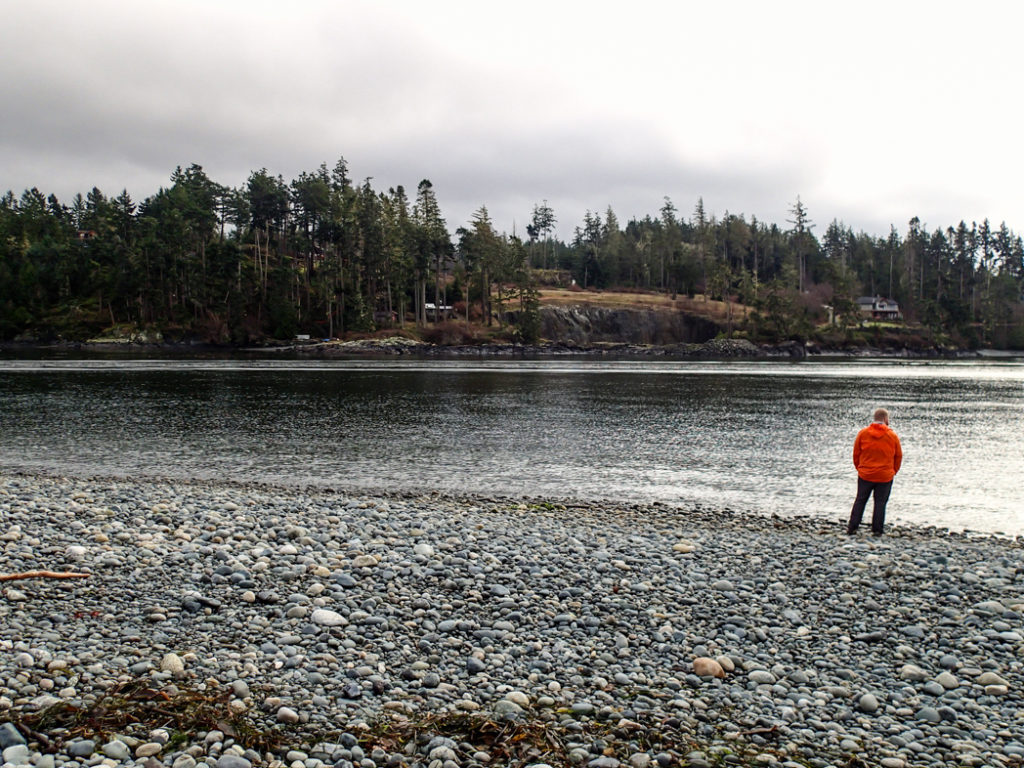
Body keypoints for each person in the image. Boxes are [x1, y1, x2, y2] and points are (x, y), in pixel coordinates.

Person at [847, 407, 902, 536]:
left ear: (875, 418)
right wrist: (894, 471)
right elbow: (898, 456)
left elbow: (856, 453)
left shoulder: (863, 433)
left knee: (860, 500)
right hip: (885, 475)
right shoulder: (892, 435)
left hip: (866, 473)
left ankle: (853, 527)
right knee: (880, 503)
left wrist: (860, 468)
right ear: (885, 419)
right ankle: (877, 530)